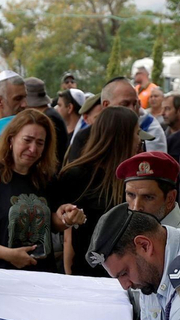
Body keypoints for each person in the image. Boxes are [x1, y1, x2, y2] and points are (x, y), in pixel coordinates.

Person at [0, 107, 81, 273]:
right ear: (11, 139)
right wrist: (8, 254)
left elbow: (51, 223)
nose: (33, 149)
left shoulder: (47, 179)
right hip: (0, 277)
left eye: (40, 143)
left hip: (41, 276)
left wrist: (66, 218)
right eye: (27, 140)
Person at [50, 105, 137, 276]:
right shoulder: (77, 175)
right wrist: (69, 277)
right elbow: (68, 234)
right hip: (86, 273)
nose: (139, 140)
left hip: (126, 273)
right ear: (122, 137)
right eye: (136, 133)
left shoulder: (132, 177)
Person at [118, 150, 180, 231]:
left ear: (170, 199)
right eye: (131, 195)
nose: (136, 207)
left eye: (148, 197)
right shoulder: (123, 229)